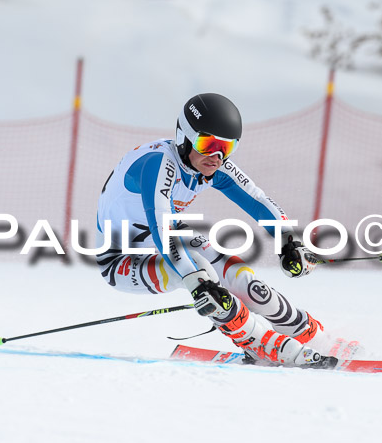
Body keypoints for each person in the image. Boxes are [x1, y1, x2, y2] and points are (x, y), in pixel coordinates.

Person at [96, 93, 335, 368]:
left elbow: (256, 200)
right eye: (207, 143)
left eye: (227, 147)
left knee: (244, 282)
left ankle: (312, 334)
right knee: (202, 277)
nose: (217, 156)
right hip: (122, 259)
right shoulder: (159, 165)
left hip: (166, 237)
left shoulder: (210, 165)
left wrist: (288, 242)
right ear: (184, 137)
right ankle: (262, 345)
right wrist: (194, 280)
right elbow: (161, 228)